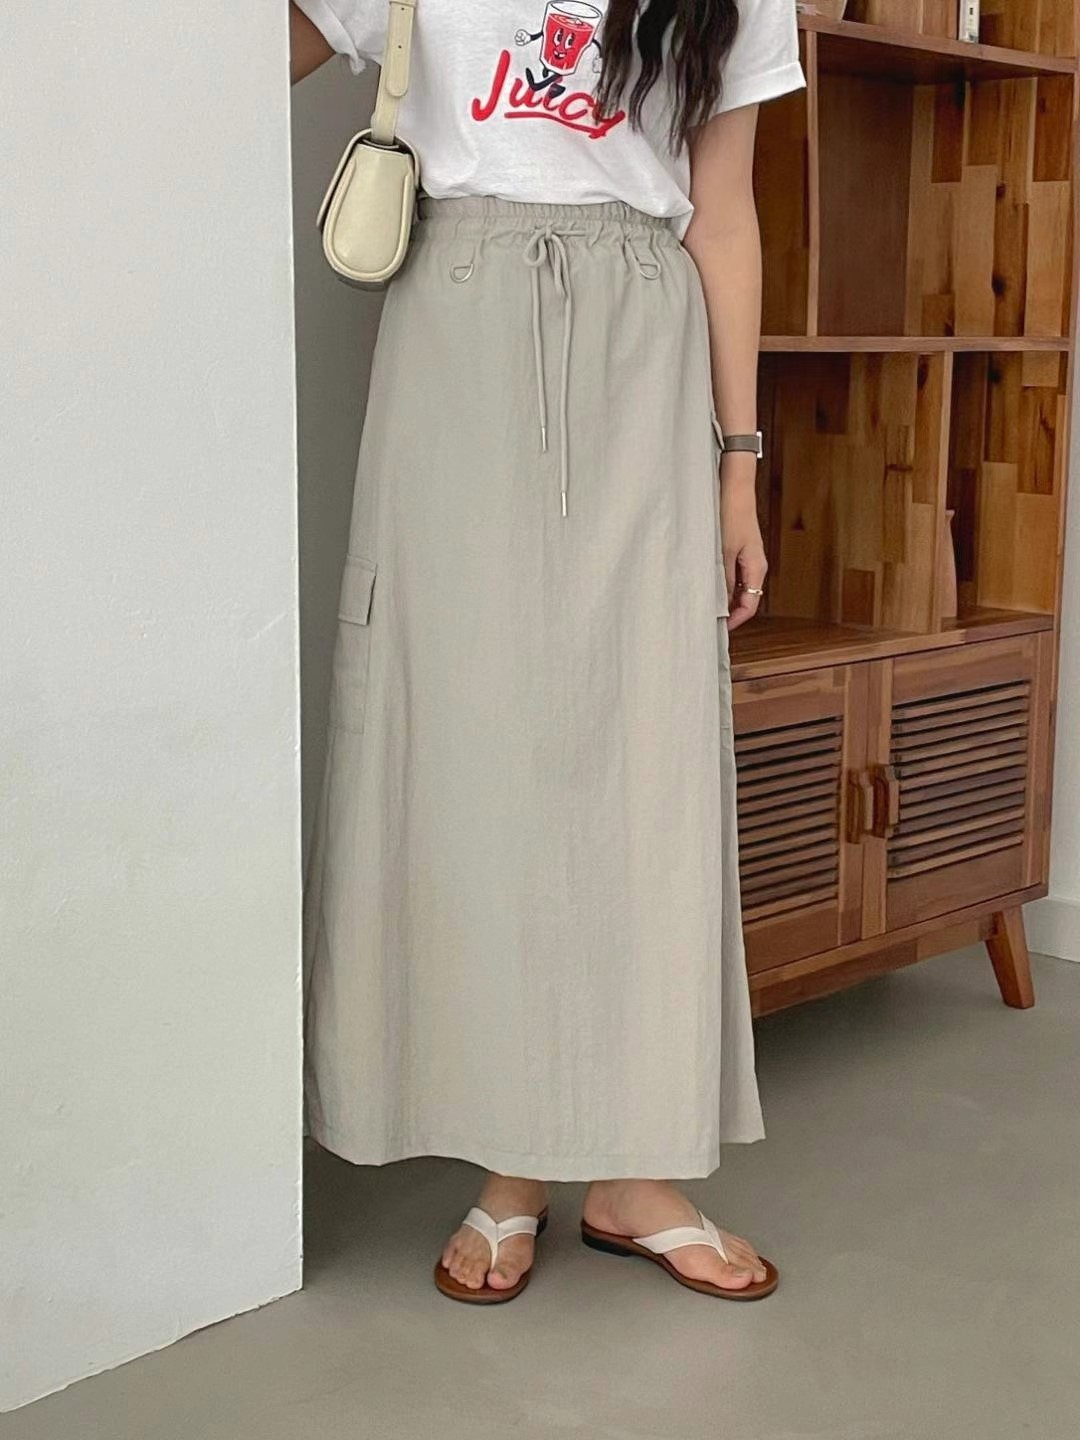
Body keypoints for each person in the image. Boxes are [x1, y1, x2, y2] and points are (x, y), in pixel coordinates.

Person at [291, 0, 806, 1304]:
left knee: (643, 756)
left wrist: (739, 465)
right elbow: (202, 71)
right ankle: (514, 1164)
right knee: (474, 747)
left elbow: (724, 214)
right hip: (454, 320)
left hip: (644, 332)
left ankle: (635, 1170)